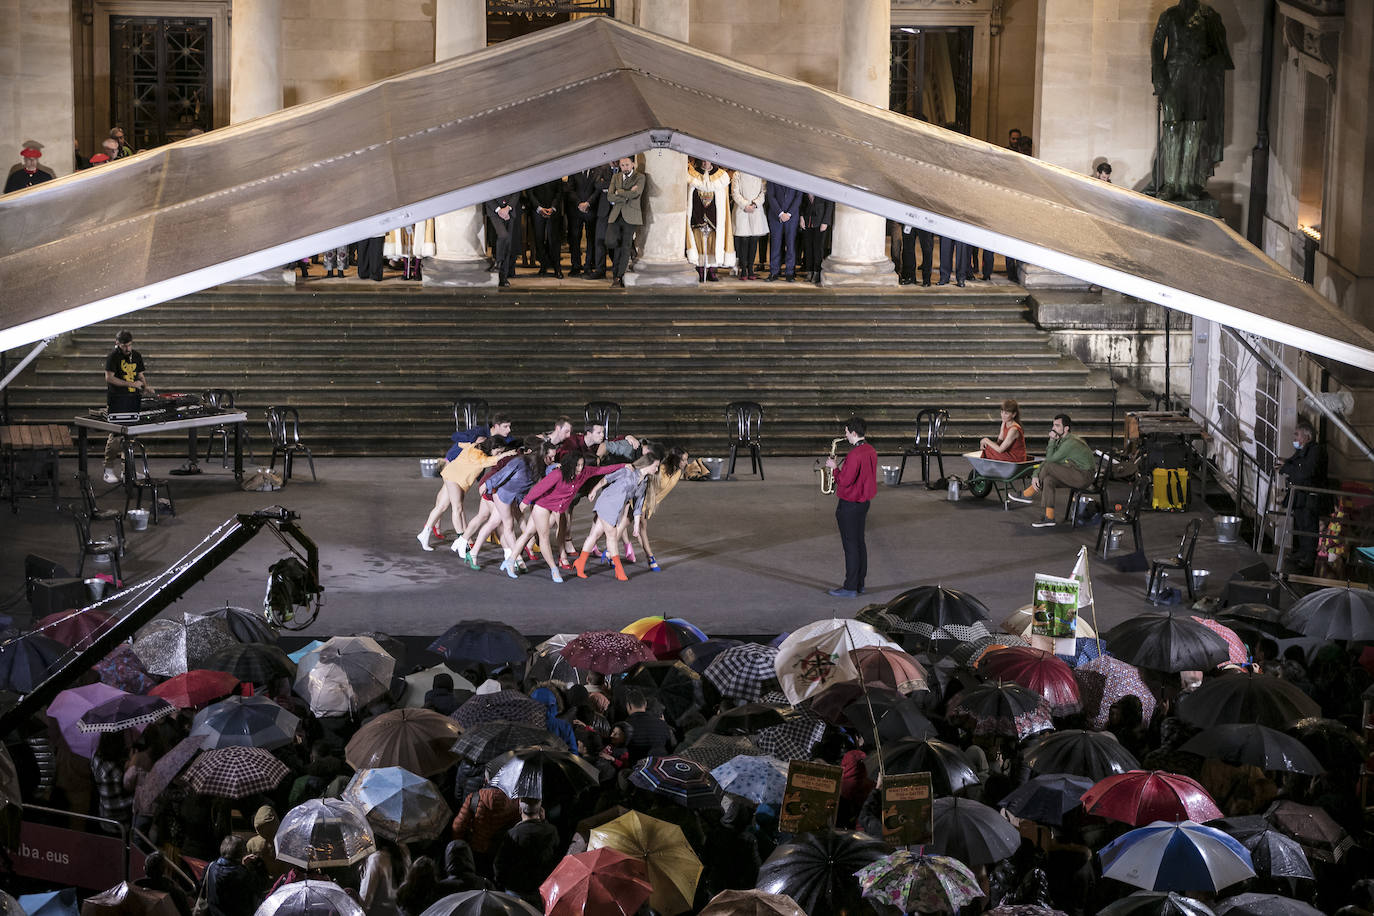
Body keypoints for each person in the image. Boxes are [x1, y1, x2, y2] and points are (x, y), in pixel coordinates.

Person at [1151, 0, 1232, 200]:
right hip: (1174, 77)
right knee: (1172, 128)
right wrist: (1159, 77)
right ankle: (1170, 183)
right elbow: (1156, 45)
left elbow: (1220, 53)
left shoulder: (1209, 16)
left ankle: (1187, 182)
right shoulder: (1169, 15)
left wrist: (1207, 61)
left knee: (1194, 129)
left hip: (1198, 79)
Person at [573, 450, 663, 582]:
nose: (657, 469)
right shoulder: (628, 471)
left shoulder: (644, 483)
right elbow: (607, 479)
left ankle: (580, 563)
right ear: (647, 464)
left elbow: (638, 506)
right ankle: (619, 570)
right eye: (655, 466)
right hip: (607, 502)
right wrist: (593, 490)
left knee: (595, 534)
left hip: (616, 507)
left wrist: (636, 525)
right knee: (612, 536)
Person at [1010, 413, 1095, 529]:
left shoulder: (1070, 443)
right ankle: (1049, 517)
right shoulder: (1063, 440)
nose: (1053, 428)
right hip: (1075, 471)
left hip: (1084, 476)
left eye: (1057, 426)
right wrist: (1036, 474)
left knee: (1049, 466)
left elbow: (1050, 460)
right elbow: (1051, 460)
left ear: (1066, 428)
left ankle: (1027, 494)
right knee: (1049, 480)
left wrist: (1051, 440)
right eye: (1053, 425)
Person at [826, 416, 878, 598]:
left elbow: (844, 480)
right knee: (859, 543)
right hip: (863, 502)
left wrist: (834, 467)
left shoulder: (854, 455)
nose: (845, 435)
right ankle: (859, 584)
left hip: (849, 503)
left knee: (850, 546)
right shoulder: (870, 450)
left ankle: (849, 587)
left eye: (847, 432)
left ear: (854, 433)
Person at [1276, 419, 1327, 573]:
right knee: (1300, 522)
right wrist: (1284, 465)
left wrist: (1287, 467)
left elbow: (1307, 471)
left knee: (1309, 525)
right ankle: (1302, 552)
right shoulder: (1302, 451)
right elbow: (1294, 464)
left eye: (1297, 435)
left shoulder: (1315, 451)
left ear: (1307, 436)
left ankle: (1309, 556)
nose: (1295, 439)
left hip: (1310, 495)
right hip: (1299, 493)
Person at [102, 329, 153, 483]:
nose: (127, 349)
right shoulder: (113, 357)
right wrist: (130, 384)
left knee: (131, 435)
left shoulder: (136, 355)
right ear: (117, 343)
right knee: (116, 436)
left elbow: (140, 375)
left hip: (133, 399)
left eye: (129, 345)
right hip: (117, 399)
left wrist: (146, 387)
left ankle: (127, 470)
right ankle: (108, 469)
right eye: (124, 346)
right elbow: (109, 378)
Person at [491, 799, 563, 906]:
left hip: (516, 889)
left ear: (520, 810)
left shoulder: (513, 834)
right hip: (541, 889)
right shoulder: (551, 831)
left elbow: (500, 864)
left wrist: (502, 883)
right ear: (540, 811)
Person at [686, 158, 733, 282]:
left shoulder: (720, 176)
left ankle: (711, 270)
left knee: (713, 244)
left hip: (714, 216)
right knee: (699, 243)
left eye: (707, 161)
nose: (704, 163)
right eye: (702, 161)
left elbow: (723, 200)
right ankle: (700, 270)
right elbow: (689, 196)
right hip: (697, 215)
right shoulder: (692, 174)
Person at [605, 156, 645, 288]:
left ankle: (618, 276)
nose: (625, 167)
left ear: (633, 164)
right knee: (611, 242)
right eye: (622, 165)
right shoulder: (615, 177)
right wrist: (626, 194)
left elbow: (636, 193)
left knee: (624, 246)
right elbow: (610, 196)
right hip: (616, 215)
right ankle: (620, 268)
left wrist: (619, 192)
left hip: (631, 216)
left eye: (627, 164)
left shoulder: (639, 177)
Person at [203, 835, 267, 916]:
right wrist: (252, 868)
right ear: (241, 853)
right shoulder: (242, 874)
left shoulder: (209, 868)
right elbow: (260, 887)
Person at [565, 165, 607, 277]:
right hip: (575, 209)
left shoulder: (599, 170)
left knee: (591, 238)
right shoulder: (574, 170)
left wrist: (588, 203)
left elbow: (598, 190)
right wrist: (579, 203)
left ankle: (588, 266)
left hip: (591, 209)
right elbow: (570, 189)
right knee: (574, 238)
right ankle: (575, 266)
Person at [730, 169, 767, 280]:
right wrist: (746, 205)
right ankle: (743, 269)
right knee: (743, 240)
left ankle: (751, 268)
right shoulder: (737, 174)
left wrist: (755, 204)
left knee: (754, 240)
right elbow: (735, 192)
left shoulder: (760, 173)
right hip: (742, 209)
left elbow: (763, 192)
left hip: (756, 210)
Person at [525, 178, 565, 278]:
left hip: (553, 210)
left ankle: (557, 268)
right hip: (537, 211)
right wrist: (539, 208)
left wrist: (553, 207)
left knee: (554, 240)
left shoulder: (556, 172)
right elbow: (530, 193)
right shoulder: (534, 172)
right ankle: (543, 265)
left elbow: (559, 192)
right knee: (539, 239)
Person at [764, 180, 801, 282]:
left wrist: (788, 214)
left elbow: (798, 197)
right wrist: (780, 213)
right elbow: (771, 196)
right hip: (776, 215)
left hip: (792, 217)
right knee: (775, 244)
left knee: (791, 244)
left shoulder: (797, 177)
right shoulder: (772, 177)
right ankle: (774, 272)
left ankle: (790, 272)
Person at [484, 192, 523, 287]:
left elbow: (516, 192)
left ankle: (503, 278)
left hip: (509, 211)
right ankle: (498, 261)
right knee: (503, 236)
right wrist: (498, 210)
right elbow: (486, 192)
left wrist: (508, 208)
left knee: (507, 245)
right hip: (494, 211)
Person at [799, 192, 833, 284]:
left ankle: (817, 272)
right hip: (807, 221)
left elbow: (829, 205)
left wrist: (825, 221)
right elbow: (802, 203)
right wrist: (801, 217)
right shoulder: (805, 188)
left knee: (818, 248)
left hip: (820, 222)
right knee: (808, 248)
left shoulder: (823, 186)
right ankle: (809, 271)